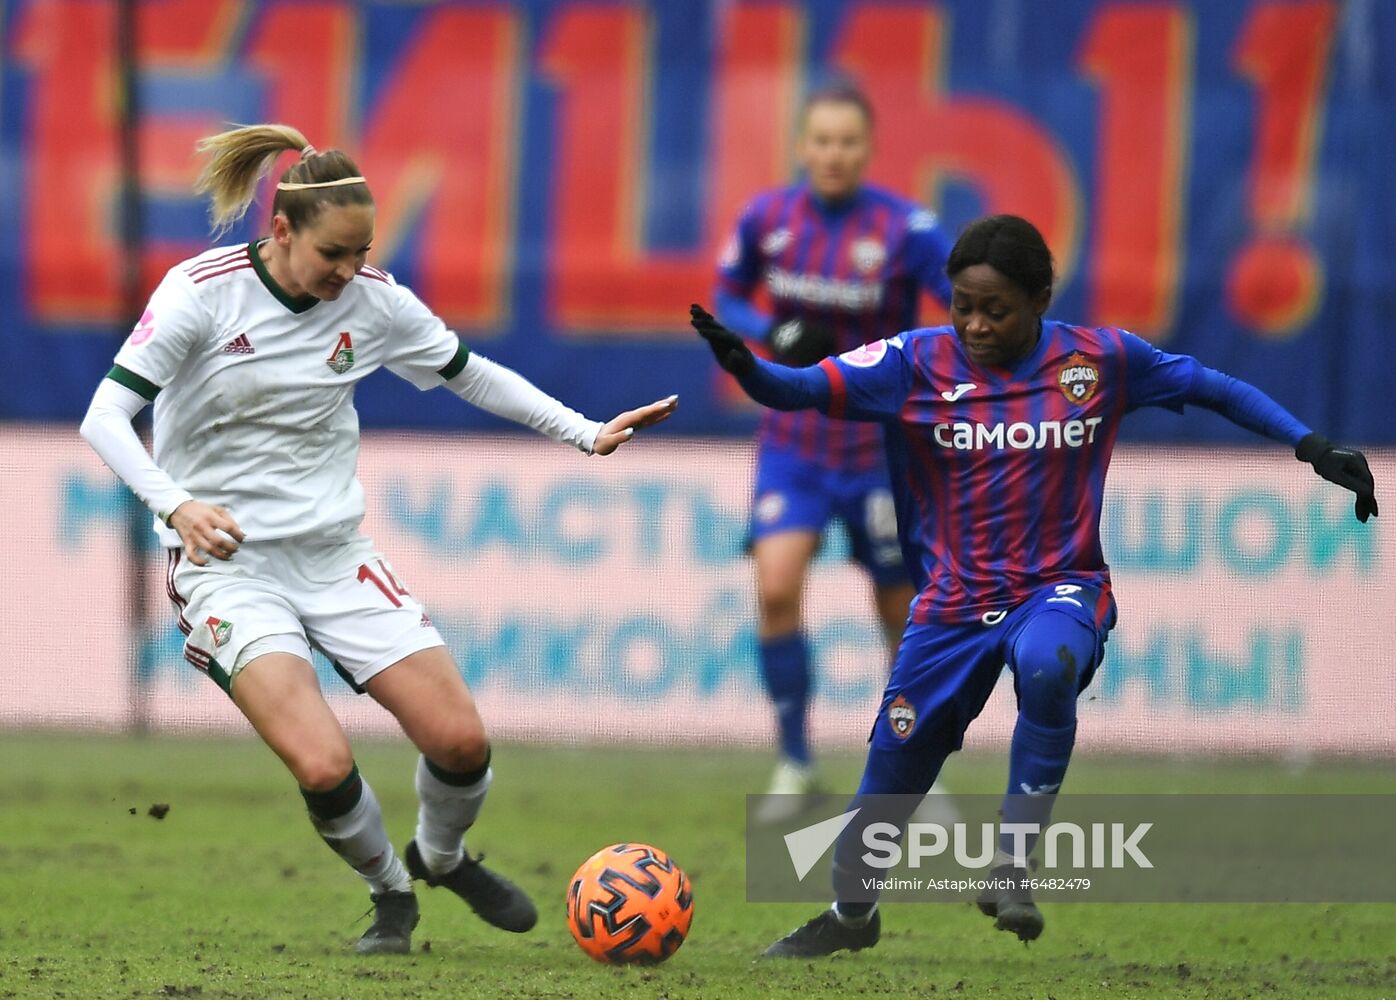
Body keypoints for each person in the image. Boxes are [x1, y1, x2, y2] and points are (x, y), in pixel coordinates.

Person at [691, 213, 1378, 956]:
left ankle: (1012, 864)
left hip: (1060, 584)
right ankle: (851, 918)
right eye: (962, 306)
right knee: (895, 768)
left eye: (996, 309)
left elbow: (1212, 387)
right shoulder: (912, 363)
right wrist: (746, 367)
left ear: (1041, 299)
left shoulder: (1101, 360)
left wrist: (1310, 444)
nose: (975, 325)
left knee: (1050, 665)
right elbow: (796, 390)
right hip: (952, 605)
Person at [80, 123, 678, 956]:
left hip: (334, 554)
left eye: (363, 252)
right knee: (323, 765)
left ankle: (440, 855)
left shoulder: (373, 299)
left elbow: (472, 373)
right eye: (336, 252)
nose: (350, 271)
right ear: (282, 230)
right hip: (228, 567)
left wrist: (584, 432)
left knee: (461, 741)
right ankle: (389, 893)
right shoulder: (198, 293)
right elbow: (105, 416)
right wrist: (177, 505)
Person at [714, 80, 954, 808]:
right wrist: (767, 335)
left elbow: (963, 304)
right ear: (801, 145)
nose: (833, 154)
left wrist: (944, 377)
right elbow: (725, 296)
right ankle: (795, 758)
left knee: (902, 614)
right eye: (821, 140)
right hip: (794, 442)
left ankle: (914, 771)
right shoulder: (768, 217)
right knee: (778, 586)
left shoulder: (906, 228)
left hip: (881, 450)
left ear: (868, 148)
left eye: (847, 141)